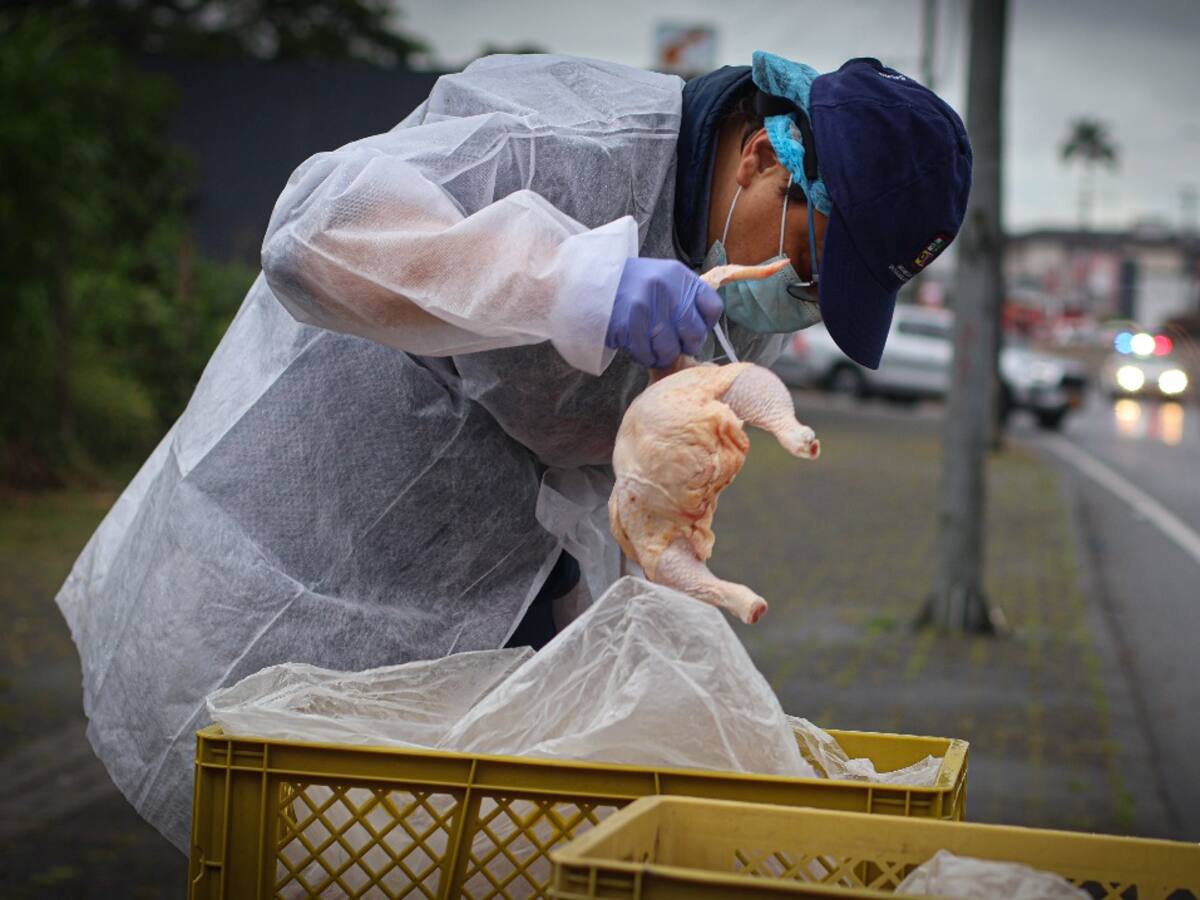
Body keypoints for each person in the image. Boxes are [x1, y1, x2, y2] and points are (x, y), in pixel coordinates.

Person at [56, 50, 971, 848]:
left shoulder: (743, 300)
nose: (802, 299)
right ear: (766, 156)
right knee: (270, 822)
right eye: (813, 263)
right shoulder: (563, 136)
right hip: (303, 542)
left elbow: (617, 471)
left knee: (409, 848)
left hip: (490, 581)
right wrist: (571, 281)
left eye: (828, 293)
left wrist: (634, 607)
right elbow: (313, 233)